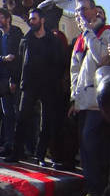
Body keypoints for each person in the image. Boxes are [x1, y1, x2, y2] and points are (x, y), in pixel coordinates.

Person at [4, 9, 65, 165]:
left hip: (48, 86)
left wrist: (57, 82)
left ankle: (41, 155)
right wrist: (14, 80)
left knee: (47, 121)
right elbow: (19, 63)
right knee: (22, 119)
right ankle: (16, 153)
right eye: (30, 19)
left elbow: (60, 64)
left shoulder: (53, 40)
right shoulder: (26, 40)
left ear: (42, 20)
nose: (31, 22)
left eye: (34, 19)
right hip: (29, 85)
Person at [70, 0, 110, 196]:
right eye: (78, 11)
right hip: (83, 101)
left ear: (95, 11)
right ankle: (92, 186)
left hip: (99, 100)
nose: (81, 14)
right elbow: (75, 71)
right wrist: (73, 98)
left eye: (84, 9)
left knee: (94, 143)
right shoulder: (79, 40)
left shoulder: (106, 32)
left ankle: (98, 188)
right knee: (86, 146)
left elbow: (102, 57)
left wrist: (89, 33)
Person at [0, 7, 24, 157]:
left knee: (18, 114)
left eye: (0, 18)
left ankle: (20, 147)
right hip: (3, 80)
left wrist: (14, 80)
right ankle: (8, 145)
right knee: (7, 115)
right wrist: (3, 59)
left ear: (7, 18)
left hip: (16, 80)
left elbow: (20, 58)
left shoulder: (17, 33)